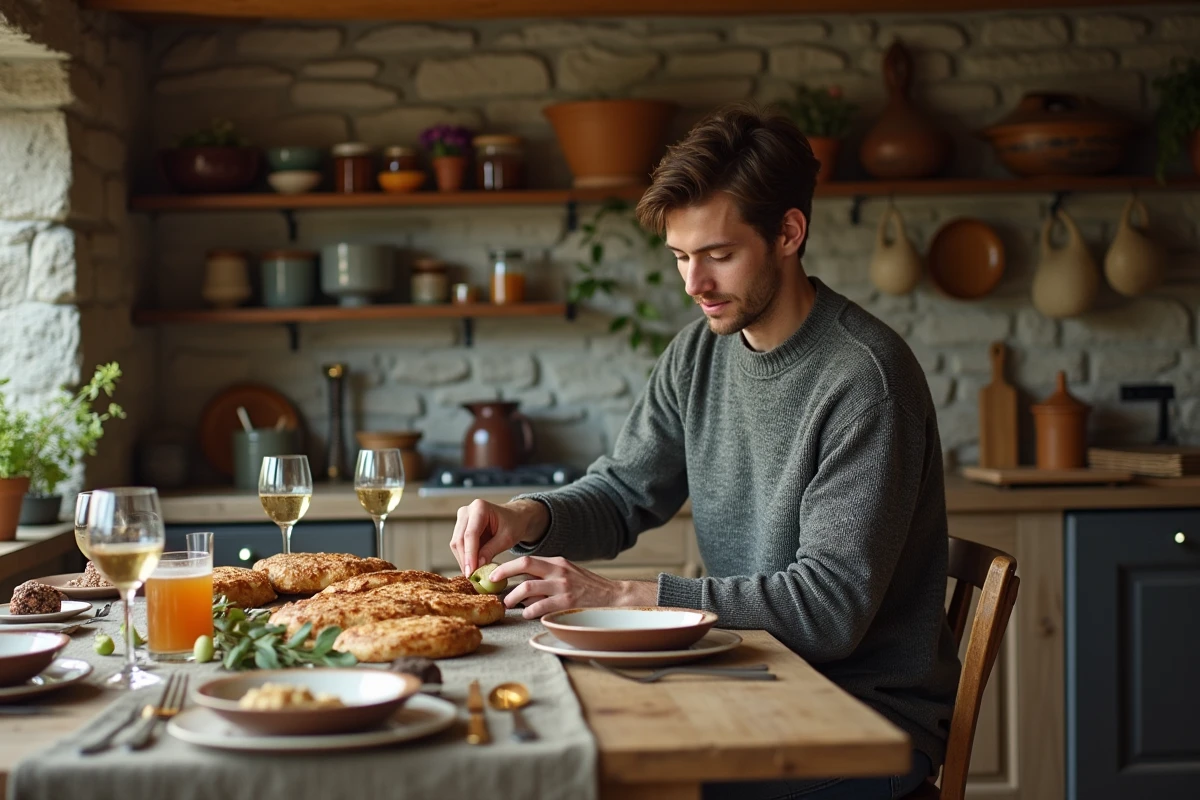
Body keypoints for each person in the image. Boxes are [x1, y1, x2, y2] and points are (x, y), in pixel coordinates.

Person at [450, 103, 960, 799]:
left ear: (788, 233)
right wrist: (525, 516)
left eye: (719, 255)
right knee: (548, 750)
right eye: (681, 258)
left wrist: (624, 598)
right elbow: (624, 493)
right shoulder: (698, 353)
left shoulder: (864, 378)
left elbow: (830, 608)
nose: (694, 285)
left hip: (857, 718)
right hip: (747, 675)